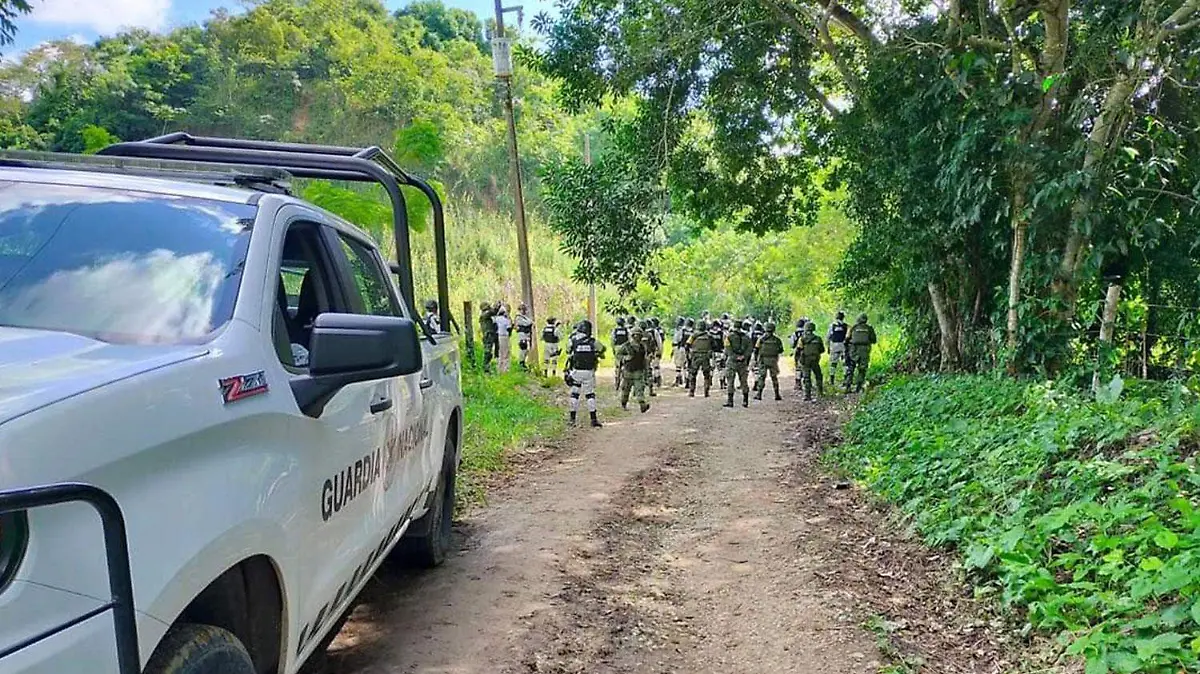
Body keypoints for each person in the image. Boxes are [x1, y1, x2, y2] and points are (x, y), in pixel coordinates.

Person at [566, 319, 606, 427]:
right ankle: (593, 419)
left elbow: (568, 351)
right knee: (590, 395)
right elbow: (602, 349)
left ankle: (572, 419)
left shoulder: (573, 340)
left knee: (574, 394)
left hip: (576, 371)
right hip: (589, 372)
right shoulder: (592, 341)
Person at [617, 326, 652, 413]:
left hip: (638, 371)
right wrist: (625, 358)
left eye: (639, 335)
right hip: (627, 371)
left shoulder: (642, 347)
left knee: (639, 389)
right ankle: (624, 404)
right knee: (626, 390)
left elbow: (644, 359)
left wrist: (646, 370)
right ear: (632, 335)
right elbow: (618, 355)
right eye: (636, 335)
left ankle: (642, 405)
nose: (638, 337)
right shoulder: (626, 346)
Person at [844, 313, 878, 393]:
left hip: (853, 350)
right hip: (864, 351)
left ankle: (847, 386)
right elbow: (874, 340)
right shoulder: (869, 328)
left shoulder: (853, 328)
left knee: (850, 368)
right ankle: (858, 388)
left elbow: (847, 339)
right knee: (862, 369)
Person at [724, 319, 754, 408]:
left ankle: (730, 401)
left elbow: (727, 350)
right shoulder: (747, 337)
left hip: (732, 362)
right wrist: (743, 356)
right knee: (744, 381)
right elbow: (750, 349)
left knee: (730, 381)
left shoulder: (729, 337)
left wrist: (735, 357)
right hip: (743, 362)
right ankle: (745, 401)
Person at [754, 322, 785, 401]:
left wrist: (756, 360)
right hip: (773, 361)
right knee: (774, 378)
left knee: (762, 377)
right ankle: (777, 394)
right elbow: (781, 350)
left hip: (763, 360)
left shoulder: (761, 339)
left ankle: (759, 394)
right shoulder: (777, 340)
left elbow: (756, 350)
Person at [687, 320, 718, 397]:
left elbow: (687, 344)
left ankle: (691, 391)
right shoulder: (709, 336)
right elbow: (715, 346)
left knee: (693, 374)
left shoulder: (693, 335)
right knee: (706, 375)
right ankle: (706, 392)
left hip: (695, 356)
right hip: (706, 357)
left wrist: (690, 353)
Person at [798, 322, 826, 401]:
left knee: (806, 377)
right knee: (818, 375)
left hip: (805, 360)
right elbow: (822, 350)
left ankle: (807, 395)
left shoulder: (802, 339)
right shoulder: (818, 338)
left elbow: (799, 349)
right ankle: (820, 392)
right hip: (815, 360)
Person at [826, 311, 848, 388]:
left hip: (834, 346)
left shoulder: (832, 326)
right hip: (843, 346)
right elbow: (848, 336)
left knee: (833, 363)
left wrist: (828, 347)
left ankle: (832, 379)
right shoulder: (845, 326)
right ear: (843, 318)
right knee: (844, 363)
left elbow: (828, 337)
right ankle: (846, 379)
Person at [479, 302, 499, 372]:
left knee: (490, 352)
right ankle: (486, 368)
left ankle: (487, 367)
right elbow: (492, 312)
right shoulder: (485, 315)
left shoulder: (486, 315)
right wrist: (496, 307)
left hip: (490, 335)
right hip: (488, 336)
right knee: (488, 352)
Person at [673, 317, 692, 386]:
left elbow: (678, 339)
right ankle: (687, 380)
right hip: (690, 349)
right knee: (686, 365)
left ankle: (678, 379)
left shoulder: (682, 330)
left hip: (681, 348)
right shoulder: (692, 331)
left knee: (679, 365)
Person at [611, 317, 630, 390]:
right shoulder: (627, 330)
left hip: (617, 348)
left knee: (617, 366)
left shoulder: (614, 331)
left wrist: (614, 350)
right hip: (625, 348)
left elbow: (612, 341)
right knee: (625, 365)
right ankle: (624, 383)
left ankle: (617, 382)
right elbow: (629, 339)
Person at [493, 304, 513, 373]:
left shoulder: (497, 319)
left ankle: (499, 369)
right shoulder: (506, 320)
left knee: (500, 353)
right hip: (504, 336)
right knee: (506, 353)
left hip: (498, 336)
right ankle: (505, 370)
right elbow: (509, 328)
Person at [515, 303, 534, 370]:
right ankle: (521, 363)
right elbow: (528, 323)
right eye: (524, 310)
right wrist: (530, 322)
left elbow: (530, 322)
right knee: (523, 348)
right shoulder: (519, 317)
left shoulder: (524, 317)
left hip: (526, 335)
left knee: (526, 350)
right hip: (522, 335)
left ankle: (523, 362)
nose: (525, 311)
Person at [710, 318, 727, 390]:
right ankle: (722, 382)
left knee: (711, 367)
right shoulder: (722, 333)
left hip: (711, 352)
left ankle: (709, 381)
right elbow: (725, 343)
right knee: (721, 368)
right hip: (719, 352)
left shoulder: (709, 333)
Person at [790, 318, 807, 389]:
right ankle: (807, 382)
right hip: (807, 351)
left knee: (798, 368)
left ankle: (798, 383)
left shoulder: (795, 333)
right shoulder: (806, 333)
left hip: (798, 352)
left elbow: (792, 344)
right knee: (806, 367)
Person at [650, 317, 665, 388]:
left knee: (654, 366)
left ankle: (656, 379)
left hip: (653, 350)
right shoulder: (659, 330)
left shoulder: (654, 331)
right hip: (656, 349)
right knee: (656, 365)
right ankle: (656, 378)